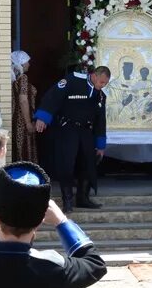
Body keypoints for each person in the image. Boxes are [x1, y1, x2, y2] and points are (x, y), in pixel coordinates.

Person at [35, 66, 110, 212]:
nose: (102, 86)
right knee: (66, 164)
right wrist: (42, 118)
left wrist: (101, 145)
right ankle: (67, 200)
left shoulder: (100, 96)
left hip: (86, 131)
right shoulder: (73, 80)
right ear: (94, 76)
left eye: (105, 84)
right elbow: (53, 96)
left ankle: (83, 198)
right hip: (68, 129)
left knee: (88, 163)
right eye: (101, 82)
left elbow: (101, 121)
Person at [10, 53, 39, 163]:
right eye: (27, 61)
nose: (29, 64)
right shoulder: (23, 78)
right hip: (22, 119)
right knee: (24, 148)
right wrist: (28, 122)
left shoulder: (15, 78)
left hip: (16, 117)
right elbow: (23, 100)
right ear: (21, 63)